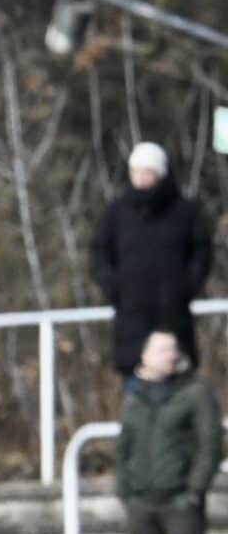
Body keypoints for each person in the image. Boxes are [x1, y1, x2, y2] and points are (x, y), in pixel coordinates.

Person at [91, 142, 213, 374]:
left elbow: (202, 252)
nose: (141, 178)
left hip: (173, 313)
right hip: (131, 315)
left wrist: (187, 287)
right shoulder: (117, 212)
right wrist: (114, 287)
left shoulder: (184, 212)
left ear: (160, 174)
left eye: (147, 172)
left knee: (181, 386)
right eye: (136, 171)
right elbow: (99, 252)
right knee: (136, 390)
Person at [115, 329, 220, 534]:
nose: (171, 355)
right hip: (141, 500)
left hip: (180, 500)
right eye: (163, 349)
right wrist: (125, 490)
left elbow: (210, 444)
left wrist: (194, 491)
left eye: (174, 348)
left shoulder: (195, 390)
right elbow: (123, 444)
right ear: (145, 355)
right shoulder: (133, 394)